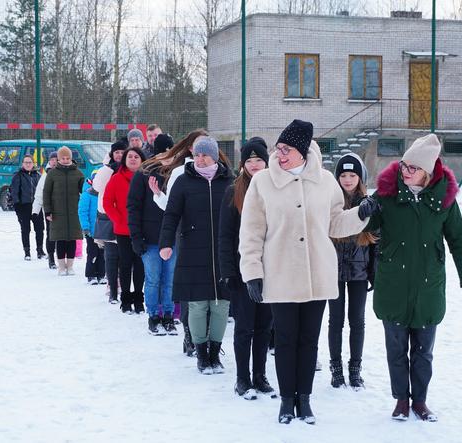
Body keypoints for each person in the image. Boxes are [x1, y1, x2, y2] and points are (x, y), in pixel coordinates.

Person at [238, 120, 377, 425]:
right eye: (279, 148)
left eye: (287, 149)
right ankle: (287, 401)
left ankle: (305, 399)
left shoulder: (325, 181)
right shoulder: (263, 183)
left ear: (302, 151)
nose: (280, 154)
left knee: (309, 340)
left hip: (318, 274)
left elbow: (335, 223)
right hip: (281, 274)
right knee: (286, 339)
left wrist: (360, 215)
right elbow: (250, 232)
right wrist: (252, 272)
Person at [364, 133, 462, 422]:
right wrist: (366, 210)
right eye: (404, 166)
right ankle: (402, 400)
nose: (405, 172)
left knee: (424, 352)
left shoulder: (444, 200)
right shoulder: (386, 194)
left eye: (413, 168)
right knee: (396, 349)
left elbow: (458, 239)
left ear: (428, 172)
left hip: (428, 286)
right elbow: (366, 227)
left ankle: (420, 401)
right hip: (393, 285)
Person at [159, 136, 234, 374]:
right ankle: (201, 354)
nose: (200, 159)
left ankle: (215, 352)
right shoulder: (183, 181)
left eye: (205, 154)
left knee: (221, 305)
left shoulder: (229, 181)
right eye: (197, 154)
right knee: (198, 305)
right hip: (192, 250)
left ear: (215, 156)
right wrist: (166, 243)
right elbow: (171, 215)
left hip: (223, 252)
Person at [219, 137, 275, 399]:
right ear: (243, 164)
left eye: (259, 160)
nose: (254, 164)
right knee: (244, 327)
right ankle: (242, 378)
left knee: (265, 326)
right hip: (244, 272)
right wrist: (229, 271)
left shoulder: (276, 187)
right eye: (249, 160)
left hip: (272, 270)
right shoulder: (234, 190)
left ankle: (260, 375)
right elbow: (225, 235)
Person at [328, 153, 379, 390]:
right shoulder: (331, 204)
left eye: (352, 175)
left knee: (357, 321)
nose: (347, 180)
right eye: (343, 175)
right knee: (335, 321)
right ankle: (336, 369)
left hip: (359, 272)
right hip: (333, 272)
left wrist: (373, 272)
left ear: (360, 177)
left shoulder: (368, 204)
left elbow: (376, 242)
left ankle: (355, 369)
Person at [127, 133, 178, 334]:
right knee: (153, 278)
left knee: (170, 279)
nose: (166, 155)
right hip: (150, 238)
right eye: (163, 151)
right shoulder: (144, 173)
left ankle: (168, 315)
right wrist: (136, 237)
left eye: (170, 151)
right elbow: (133, 206)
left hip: (172, 238)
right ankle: (153, 316)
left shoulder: (178, 172)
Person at [104, 146, 147, 313]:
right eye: (130, 156)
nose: (133, 159)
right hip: (123, 230)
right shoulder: (116, 178)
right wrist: (118, 219)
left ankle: (138, 299)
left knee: (140, 265)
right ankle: (126, 300)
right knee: (125, 264)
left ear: (142, 160)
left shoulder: (146, 177)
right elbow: (107, 202)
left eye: (137, 156)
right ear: (124, 159)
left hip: (143, 230)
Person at [43, 146, 85, 275]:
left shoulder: (78, 173)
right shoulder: (52, 173)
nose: (65, 160)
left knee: (72, 239)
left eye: (68, 158)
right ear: (58, 159)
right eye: (63, 158)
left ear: (71, 159)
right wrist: (48, 211)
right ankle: (61, 267)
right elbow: (46, 192)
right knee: (60, 240)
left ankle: (70, 266)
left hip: (74, 212)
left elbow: (84, 191)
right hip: (57, 213)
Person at [93, 140, 126, 302]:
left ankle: (123, 286)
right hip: (108, 216)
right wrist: (106, 168)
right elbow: (97, 187)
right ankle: (113, 289)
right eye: (116, 152)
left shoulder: (131, 169)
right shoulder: (106, 170)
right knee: (111, 256)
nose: (119, 155)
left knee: (125, 257)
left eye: (122, 152)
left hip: (126, 218)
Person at [10, 154, 45, 260]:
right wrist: (17, 207)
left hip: (36, 206)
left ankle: (40, 250)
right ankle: (27, 252)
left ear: (33, 163)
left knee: (39, 229)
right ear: (22, 164)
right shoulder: (18, 175)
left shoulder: (38, 175)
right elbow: (14, 192)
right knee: (25, 230)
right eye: (26, 162)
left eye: (30, 162)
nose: (28, 164)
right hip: (23, 207)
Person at [78, 171, 106, 285]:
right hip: (91, 231)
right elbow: (82, 212)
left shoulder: (104, 194)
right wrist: (85, 227)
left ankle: (101, 274)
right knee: (92, 252)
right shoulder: (87, 194)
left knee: (103, 253)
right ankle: (91, 274)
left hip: (103, 230)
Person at [32, 152, 58, 269]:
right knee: (51, 234)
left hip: (63, 209)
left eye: (56, 159)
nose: (54, 162)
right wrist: (35, 210)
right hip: (50, 210)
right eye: (52, 160)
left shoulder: (64, 172)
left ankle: (64, 259)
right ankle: (51, 258)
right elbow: (39, 194)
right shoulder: (46, 175)